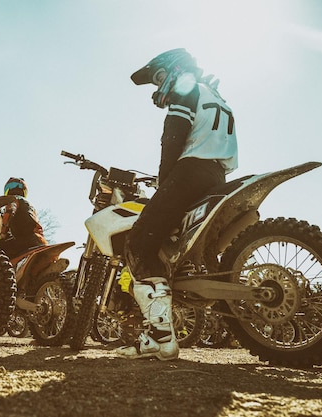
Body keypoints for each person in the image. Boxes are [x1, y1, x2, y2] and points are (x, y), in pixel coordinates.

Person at [115, 48, 238, 360]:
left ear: (175, 69)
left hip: (190, 171)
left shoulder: (185, 89)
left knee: (140, 241)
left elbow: (172, 140)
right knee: (172, 237)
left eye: (159, 78)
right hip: (217, 175)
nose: (158, 88)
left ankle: (160, 336)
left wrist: (163, 182)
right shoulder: (214, 94)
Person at [0, 177, 47, 259]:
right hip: (39, 239)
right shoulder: (31, 207)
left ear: (7, 190)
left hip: (25, 240)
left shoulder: (13, 200)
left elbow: (9, 212)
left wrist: (3, 233)